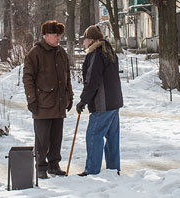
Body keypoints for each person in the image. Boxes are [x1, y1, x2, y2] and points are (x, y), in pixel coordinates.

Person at [22, 20, 73, 179]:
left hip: (59, 104)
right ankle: (41, 167)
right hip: (42, 104)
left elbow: (67, 77)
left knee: (56, 137)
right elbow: (28, 78)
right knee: (42, 139)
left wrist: (69, 96)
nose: (59, 38)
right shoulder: (35, 54)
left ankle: (54, 164)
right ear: (46, 35)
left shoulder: (61, 53)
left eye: (60, 35)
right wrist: (31, 100)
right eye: (56, 35)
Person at [75, 25, 123, 176]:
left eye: (85, 40)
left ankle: (92, 170)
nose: (83, 44)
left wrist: (83, 100)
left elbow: (92, 80)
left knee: (94, 135)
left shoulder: (96, 54)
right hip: (114, 102)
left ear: (92, 40)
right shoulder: (108, 51)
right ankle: (113, 169)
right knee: (112, 138)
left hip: (103, 104)